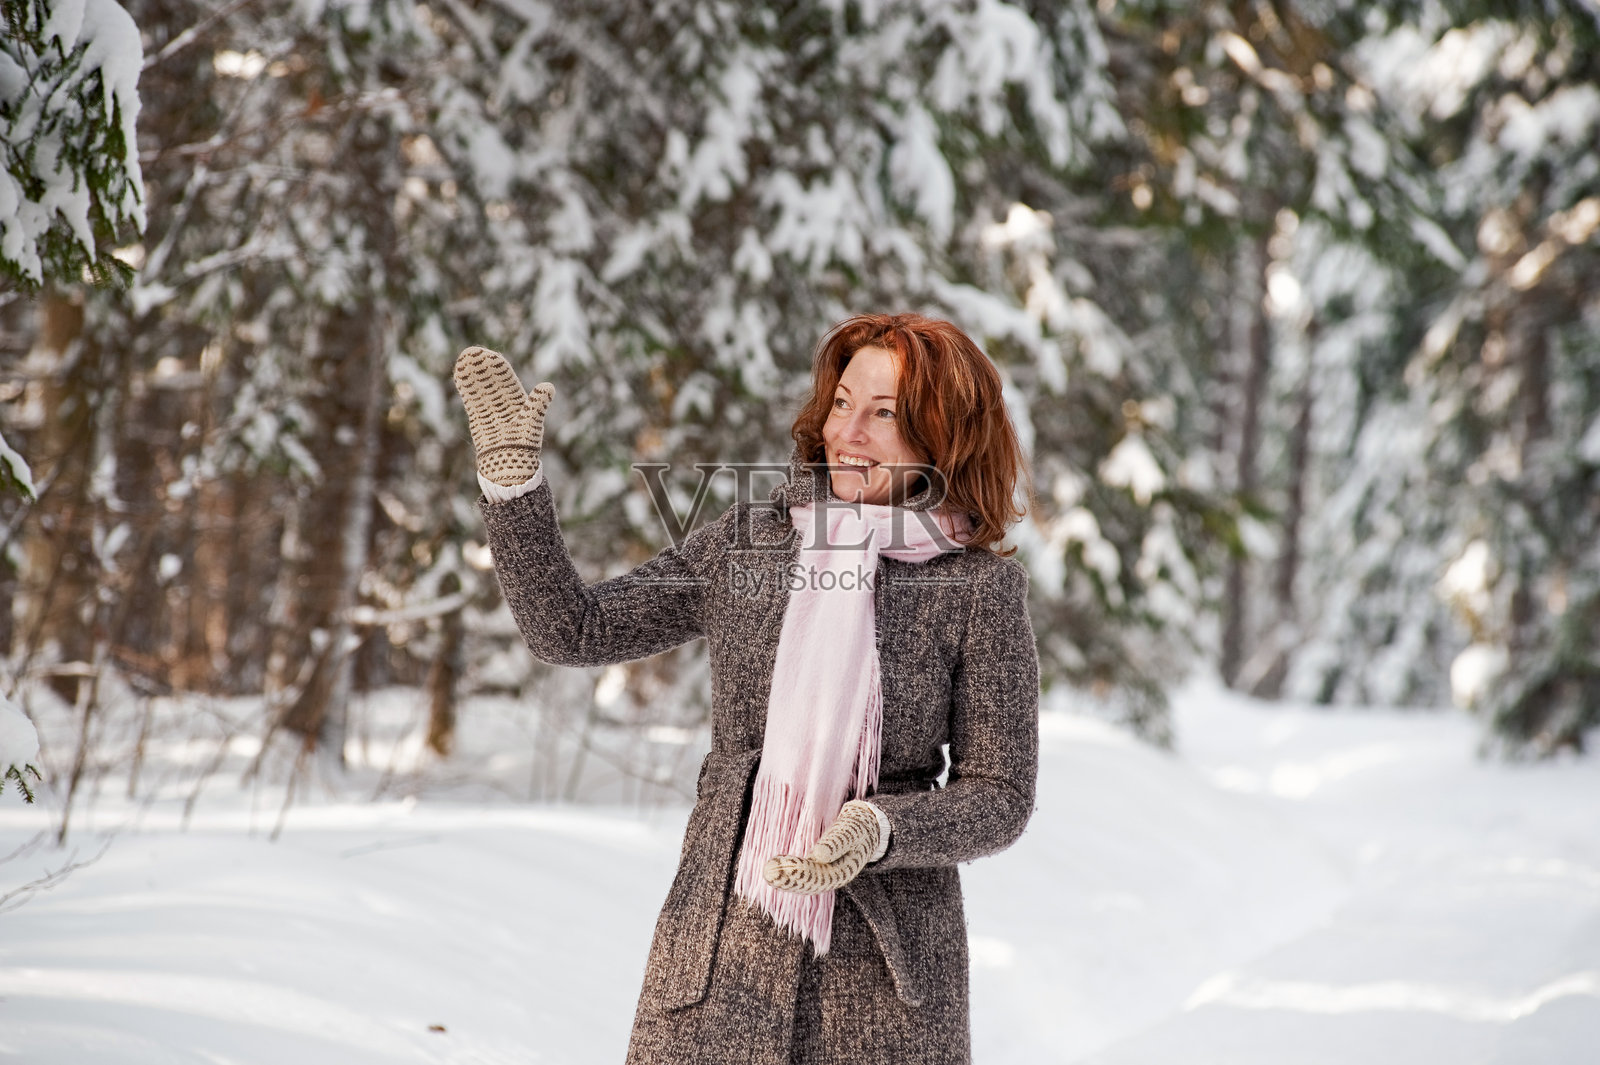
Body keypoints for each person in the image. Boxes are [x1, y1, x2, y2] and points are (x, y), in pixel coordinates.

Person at [454, 312, 1039, 1065]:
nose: (847, 431)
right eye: (842, 402)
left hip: (885, 988)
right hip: (717, 956)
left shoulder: (977, 591)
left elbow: (1000, 793)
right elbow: (575, 629)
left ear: (943, 436)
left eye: (884, 414)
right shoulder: (748, 542)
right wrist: (513, 489)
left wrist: (883, 827)